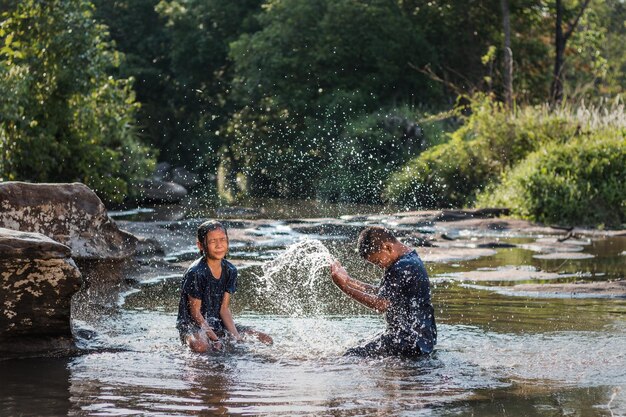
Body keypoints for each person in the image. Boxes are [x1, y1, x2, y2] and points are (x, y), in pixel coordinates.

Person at [330, 226, 436, 358]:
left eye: (378, 261)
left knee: (351, 356)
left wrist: (343, 287)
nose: (379, 266)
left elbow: (381, 305)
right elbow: (382, 292)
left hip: (409, 342)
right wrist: (348, 281)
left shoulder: (401, 267)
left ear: (387, 247)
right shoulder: (407, 259)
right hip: (421, 339)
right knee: (357, 347)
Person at [176, 220, 272, 353]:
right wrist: (215, 339)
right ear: (200, 245)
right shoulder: (196, 273)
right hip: (193, 326)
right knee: (201, 347)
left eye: (222, 240)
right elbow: (195, 313)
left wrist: (236, 337)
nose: (219, 245)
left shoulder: (230, 270)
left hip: (217, 323)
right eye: (212, 241)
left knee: (265, 339)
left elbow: (224, 309)